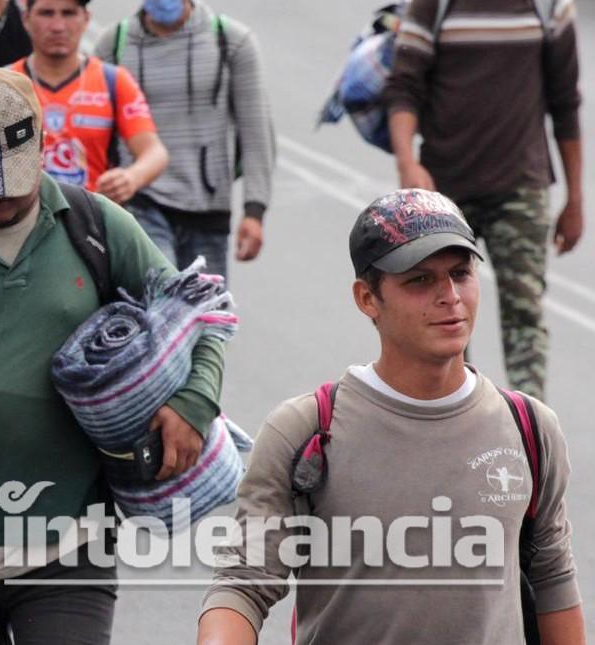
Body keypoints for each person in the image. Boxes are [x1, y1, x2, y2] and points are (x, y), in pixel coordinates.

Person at [0, 66, 226, 643]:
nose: (1, 198)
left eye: (15, 181)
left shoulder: (98, 225)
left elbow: (200, 311)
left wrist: (194, 401)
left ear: (44, 146)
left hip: (71, 541)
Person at [197, 188, 583, 644]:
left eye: (461, 273)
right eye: (419, 280)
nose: (450, 296)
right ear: (367, 298)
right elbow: (244, 583)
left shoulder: (529, 428)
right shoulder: (307, 430)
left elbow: (553, 578)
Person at [383, 0, 583, 399]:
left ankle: (529, 429)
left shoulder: (548, 3)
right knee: (445, 316)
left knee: (525, 314)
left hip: (522, 187)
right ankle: (459, 417)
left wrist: (575, 198)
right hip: (445, 194)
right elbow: (403, 88)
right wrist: (408, 166)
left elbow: (566, 105)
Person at [95, 0, 274, 280]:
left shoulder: (230, 41)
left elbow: (256, 131)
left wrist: (254, 212)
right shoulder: (113, 45)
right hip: (139, 201)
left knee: (206, 319)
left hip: (207, 207)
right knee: (160, 299)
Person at [10, 0, 168, 203]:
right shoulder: (4, 82)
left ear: (86, 19)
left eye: (68, 13)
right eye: (46, 13)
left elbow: (155, 152)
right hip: (22, 226)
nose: (58, 26)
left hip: (91, 225)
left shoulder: (113, 80)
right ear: (26, 19)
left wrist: (131, 178)